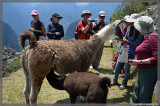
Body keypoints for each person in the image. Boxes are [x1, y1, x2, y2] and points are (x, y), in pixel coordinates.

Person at [111, 13, 144, 90]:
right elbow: (126, 36)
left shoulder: (140, 31)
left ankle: (124, 83)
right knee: (118, 65)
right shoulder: (130, 28)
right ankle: (114, 80)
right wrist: (123, 39)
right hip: (124, 49)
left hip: (131, 52)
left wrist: (126, 41)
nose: (131, 23)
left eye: (133, 22)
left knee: (126, 68)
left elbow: (137, 44)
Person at [130, 16, 158, 103]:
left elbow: (156, 57)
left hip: (149, 72)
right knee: (136, 93)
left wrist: (140, 62)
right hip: (142, 70)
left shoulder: (153, 37)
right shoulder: (147, 36)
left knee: (144, 97)